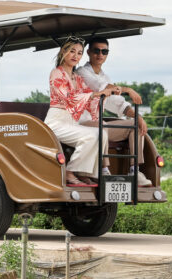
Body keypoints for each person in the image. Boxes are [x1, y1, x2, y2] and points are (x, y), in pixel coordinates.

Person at [45, 37, 120, 187]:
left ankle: (85, 174)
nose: (75, 56)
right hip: (56, 122)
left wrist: (108, 92)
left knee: (101, 134)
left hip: (71, 122)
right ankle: (70, 171)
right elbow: (68, 97)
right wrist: (94, 94)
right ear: (63, 52)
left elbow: (90, 97)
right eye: (71, 51)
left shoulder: (77, 78)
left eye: (79, 53)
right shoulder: (56, 73)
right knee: (90, 136)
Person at [76, 37, 151, 186]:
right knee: (101, 125)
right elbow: (100, 87)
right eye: (96, 50)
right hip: (81, 124)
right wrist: (128, 89)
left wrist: (138, 117)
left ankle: (134, 171)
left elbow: (118, 104)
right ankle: (104, 171)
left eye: (104, 51)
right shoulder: (81, 72)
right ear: (89, 52)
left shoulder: (104, 76)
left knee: (134, 126)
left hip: (99, 124)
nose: (100, 54)